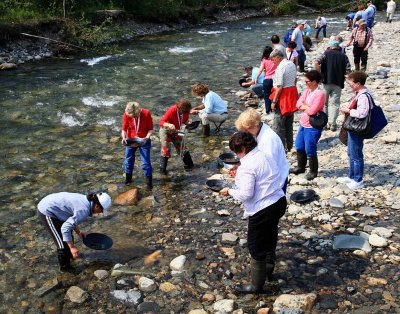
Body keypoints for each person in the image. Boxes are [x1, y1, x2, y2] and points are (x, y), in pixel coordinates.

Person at [219, 132, 286, 294]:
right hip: (278, 201)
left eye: (237, 151)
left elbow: (246, 194)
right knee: (270, 236)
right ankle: (268, 272)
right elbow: (266, 176)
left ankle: (256, 286)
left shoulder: (247, 166)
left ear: (243, 148)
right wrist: (239, 173)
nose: (236, 155)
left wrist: (229, 191)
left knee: (255, 246)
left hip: (262, 209)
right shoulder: (264, 154)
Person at [37, 192, 112, 272]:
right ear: (97, 206)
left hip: (57, 208)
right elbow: (65, 228)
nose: (100, 213)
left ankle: (70, 257)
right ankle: (65, 271)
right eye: (101, 211)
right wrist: (72, 247)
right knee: (62, 244)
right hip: (47, 210)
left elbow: (71, 218)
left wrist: (78, 232)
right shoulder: (84, 210)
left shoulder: (86, 201)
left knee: (68, 238)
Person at [235, 108, 289, 193]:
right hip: (271, 180)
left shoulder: (268, 140)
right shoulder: (259, 132)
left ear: (255, 125)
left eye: (247, 129)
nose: (245, 132)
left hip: (276, 183)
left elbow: (269, 168)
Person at [338, 71, 372, 189]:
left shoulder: (363, 96)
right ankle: (351, 176)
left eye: (351, 83)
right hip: (354, 127)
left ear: (358, 83)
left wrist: (348, 111)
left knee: (356, 154)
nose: (349, 85)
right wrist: (347, 105)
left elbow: (362, 113)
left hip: (357, 128)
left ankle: (358, 180)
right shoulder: (359, 93)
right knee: (351, 152)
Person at [290, 71, 326, 180]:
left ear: (314, 82)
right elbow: (298, 103)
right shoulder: (307, 90)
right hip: (303, 123)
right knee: (299, 146)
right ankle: (301, 167)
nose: (305, 83)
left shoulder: (320, 94)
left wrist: (304, 106)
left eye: (307, 81)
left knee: (310, 148)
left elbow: (312, 111)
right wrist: (306, 106)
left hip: (312, 126)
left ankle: (313, 171)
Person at [314, 40, 349, 131]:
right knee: (335, 104)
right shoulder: (344, 56)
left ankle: (324, 123)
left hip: (326, 81)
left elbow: (316, 62)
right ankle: (332, 124)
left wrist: (318, 74)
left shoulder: (326, 53)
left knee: (324, 103)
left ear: (330, 46)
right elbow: (348, 70)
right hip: (338, 83)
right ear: (338, 47)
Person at [269, 49, 299, 152]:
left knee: (278, 124)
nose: (273, 62)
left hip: (283, 97)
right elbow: (295, 79)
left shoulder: (280, 68)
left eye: (273, 60)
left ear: (278, 57)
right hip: (291, 92)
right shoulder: (291, 64)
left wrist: (274, 102)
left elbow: (279, 87)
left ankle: (280, 148)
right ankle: (289, 145)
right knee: (289, 123)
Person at [121, 102, 154, 189]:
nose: (132, 118)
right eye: (130, 116)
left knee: (146, 163)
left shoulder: (146, 113)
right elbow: (124, 129)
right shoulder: (127, 114)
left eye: (134, 117)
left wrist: (146, 138)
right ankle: (128, 181)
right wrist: (124, 138)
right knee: (128, 161)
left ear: (138, 112)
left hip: (144, 140)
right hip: (131, 140)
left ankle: (149, 185)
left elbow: (151, 129)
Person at [159, 99, 194, 174]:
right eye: (183, 112)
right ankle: (162, 172)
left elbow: (185, 121)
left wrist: (188, 121)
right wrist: (169, 124)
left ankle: (190, 166)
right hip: (166, 131)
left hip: (176, 131)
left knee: (182, 148)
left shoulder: (186, 111)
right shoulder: (172, 110)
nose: (185, 113)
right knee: (166, 151)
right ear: (179, 108)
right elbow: (161, 122)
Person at [255, 46, 276, 115]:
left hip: (267, 80)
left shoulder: (264, 60)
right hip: (275, 79)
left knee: (266, 95)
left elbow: (260, 70)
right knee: (274, 94)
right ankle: (274, 108)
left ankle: (268, 110)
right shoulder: (274, 59)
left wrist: (256, 78)